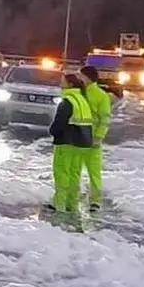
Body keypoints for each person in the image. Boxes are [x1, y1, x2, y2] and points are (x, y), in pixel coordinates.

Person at [47, 73, 95, 214]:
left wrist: (52, 132)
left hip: (66, 143)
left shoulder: (67, 101)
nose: (60, 82)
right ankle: (71, 205)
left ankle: (59, 205)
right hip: (82, 144)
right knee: (74, 174)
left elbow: (59, 124)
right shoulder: (82, 99)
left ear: (70, 84)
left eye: (63, 81)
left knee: (62, 173)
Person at [79, 65, 112, 211]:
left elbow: (105, 119)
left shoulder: (101, 95)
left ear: (87, 77)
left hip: (92, 139)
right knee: (72, 171)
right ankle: (71, 197)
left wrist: (98, 137)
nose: (79, 78)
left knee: (94, 172)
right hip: (77, 138)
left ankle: (95, 202)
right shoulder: (78, 92)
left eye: (81, 76)